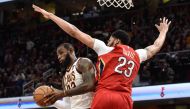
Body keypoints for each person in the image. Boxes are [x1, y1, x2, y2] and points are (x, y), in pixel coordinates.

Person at [32, 4, 171, 109]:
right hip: (124, 98)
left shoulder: (105, 49)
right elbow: (155, 47)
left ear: (116, 41)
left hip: (104, 94)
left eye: (110, 39)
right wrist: (163, 31)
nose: (108, 41)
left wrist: (51, 16)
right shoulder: (137, 54)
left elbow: (74, 32)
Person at [45, 43, 96, 109]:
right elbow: (68, 104)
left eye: (61, 53)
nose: (59, 57)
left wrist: (63, 93)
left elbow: (90, 85)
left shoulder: (82, 62)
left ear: (71, 50)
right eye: (57, 55)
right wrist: (53, 101)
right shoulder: (64, 76)